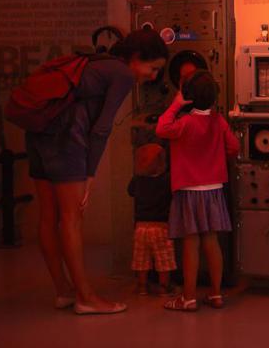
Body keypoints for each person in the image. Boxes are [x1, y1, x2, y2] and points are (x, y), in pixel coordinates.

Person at [25, 29, 168, 315]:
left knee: (48, 217)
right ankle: (86, 297)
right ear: (136, 58)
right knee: (71, 219)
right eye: (152, 69)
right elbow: (102, 128)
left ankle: (64, 291)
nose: (153, 76)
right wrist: (89, 175)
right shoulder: (122, 74)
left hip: (38, 134)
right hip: (67, 141)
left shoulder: (95, 61)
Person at [155, 70, 240, 311]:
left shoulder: (184, 123)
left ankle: (188, 298)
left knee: (190, 243)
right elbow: (234, 146)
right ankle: (216, 294)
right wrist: (219, 158)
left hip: (188, 190)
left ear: (187, 95)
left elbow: (161, 128)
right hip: (213, 190)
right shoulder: (218, 120)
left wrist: (175, 105)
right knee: (212, 241)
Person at [128, 143, 176, 296]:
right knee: (163, 259)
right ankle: (164, 286)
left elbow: (130, 191)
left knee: (141, 258)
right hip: (161, 227)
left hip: (140, 228)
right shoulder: (167, 180)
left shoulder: (137, 180)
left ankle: (142, 286)